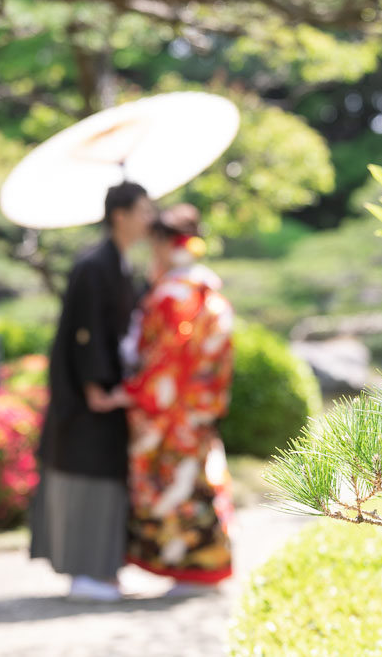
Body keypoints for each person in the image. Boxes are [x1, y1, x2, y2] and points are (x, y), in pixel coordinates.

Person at [29, 181, 155, 602]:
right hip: (87, 405)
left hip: (108, 398)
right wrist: (96, 389)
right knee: (84, 482)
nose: (149, 218)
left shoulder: (120, 265)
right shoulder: (93, 266)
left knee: (107, 484)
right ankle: (84, 573)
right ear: (119, 214)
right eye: (143, 209)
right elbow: (84, 335)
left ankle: (103, 570)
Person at [118, 204, 235, 593]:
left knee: (174, 486)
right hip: (200, 408)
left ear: (165, 244)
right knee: (197, 482)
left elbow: (159, 360)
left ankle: (191, 568)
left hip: (170, 411)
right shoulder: (207, 288)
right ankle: (207, 562)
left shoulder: (170, 294)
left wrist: (130, 390)